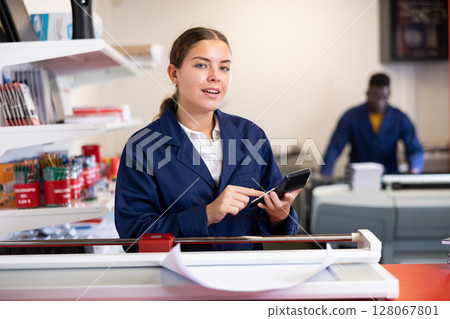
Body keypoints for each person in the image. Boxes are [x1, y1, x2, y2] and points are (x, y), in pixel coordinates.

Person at [115, 27, 300, 252]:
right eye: (202, 65)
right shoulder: (143, 147)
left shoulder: (251, 136)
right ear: (174, 74)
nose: (215, 76)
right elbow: (134, 237)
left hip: (244, 277)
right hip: (177, 279)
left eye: (224, 67)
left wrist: (279, 215)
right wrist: (206, 215)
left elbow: (270, 224)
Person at [321, 73, 424, 176]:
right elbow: (334, 148)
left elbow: (414, 149)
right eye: (375, 98)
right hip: (357, 180)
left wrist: (414, 170)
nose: (380, 103)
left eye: (384, 98)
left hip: (389, 178)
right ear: (367, 93)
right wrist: (324, 177)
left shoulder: (400, 118)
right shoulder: (351, 117)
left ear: (389, 94)